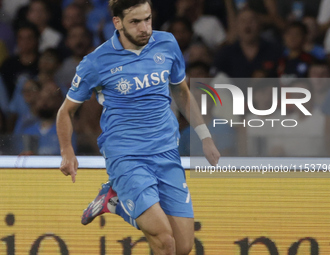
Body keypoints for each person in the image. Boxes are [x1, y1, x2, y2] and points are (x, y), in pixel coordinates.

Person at [56, 1, 220, 255]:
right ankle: (119, 200)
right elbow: (65, 111)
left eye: (148, 19)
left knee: (183, 247)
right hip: (127, 156)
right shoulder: (95, 62)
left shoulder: (167, 44)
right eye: (135, 22)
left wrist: (205, 137)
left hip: (166, 152)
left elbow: (182, 93)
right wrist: (67, 150)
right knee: (164, 241)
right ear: (117, 23)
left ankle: (114, 201)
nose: (145, 28)